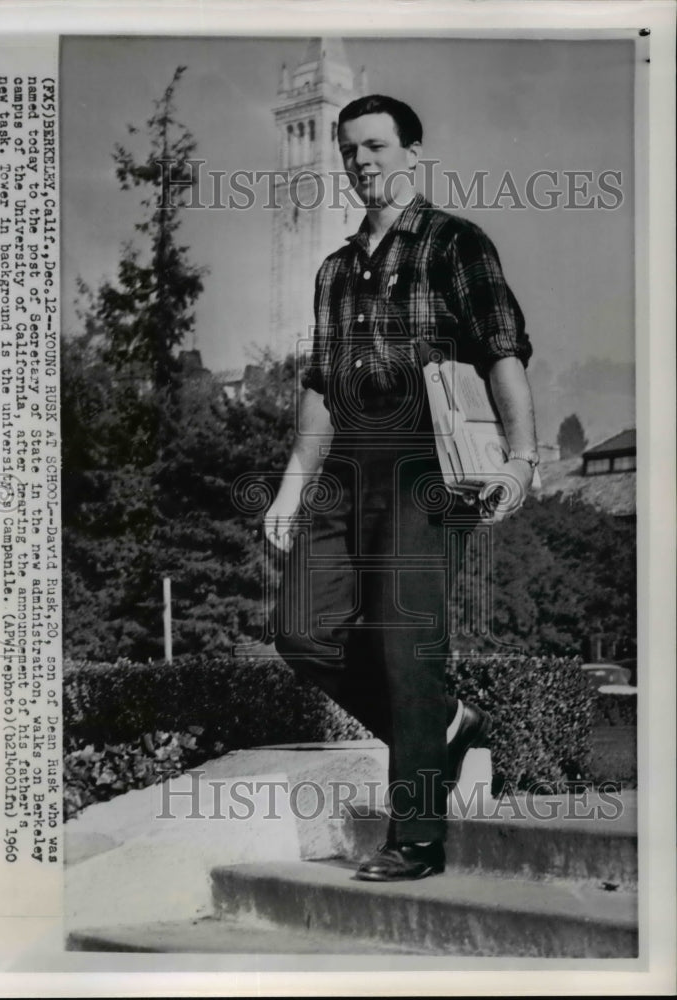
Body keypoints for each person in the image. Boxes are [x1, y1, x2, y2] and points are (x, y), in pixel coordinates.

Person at [265, 94, 538, 882]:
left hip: (430, 463)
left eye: (378, 147)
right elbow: (319, 385)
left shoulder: (456, 244)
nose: (362, 162)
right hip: (348, 464)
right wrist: (290, 489)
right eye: (350, 150)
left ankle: (415, 837)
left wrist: (521, 458)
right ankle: (446, 725)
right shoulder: (336, 269)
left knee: (404, 645)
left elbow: (502, 354)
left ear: (412, 152)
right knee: (302, 630)